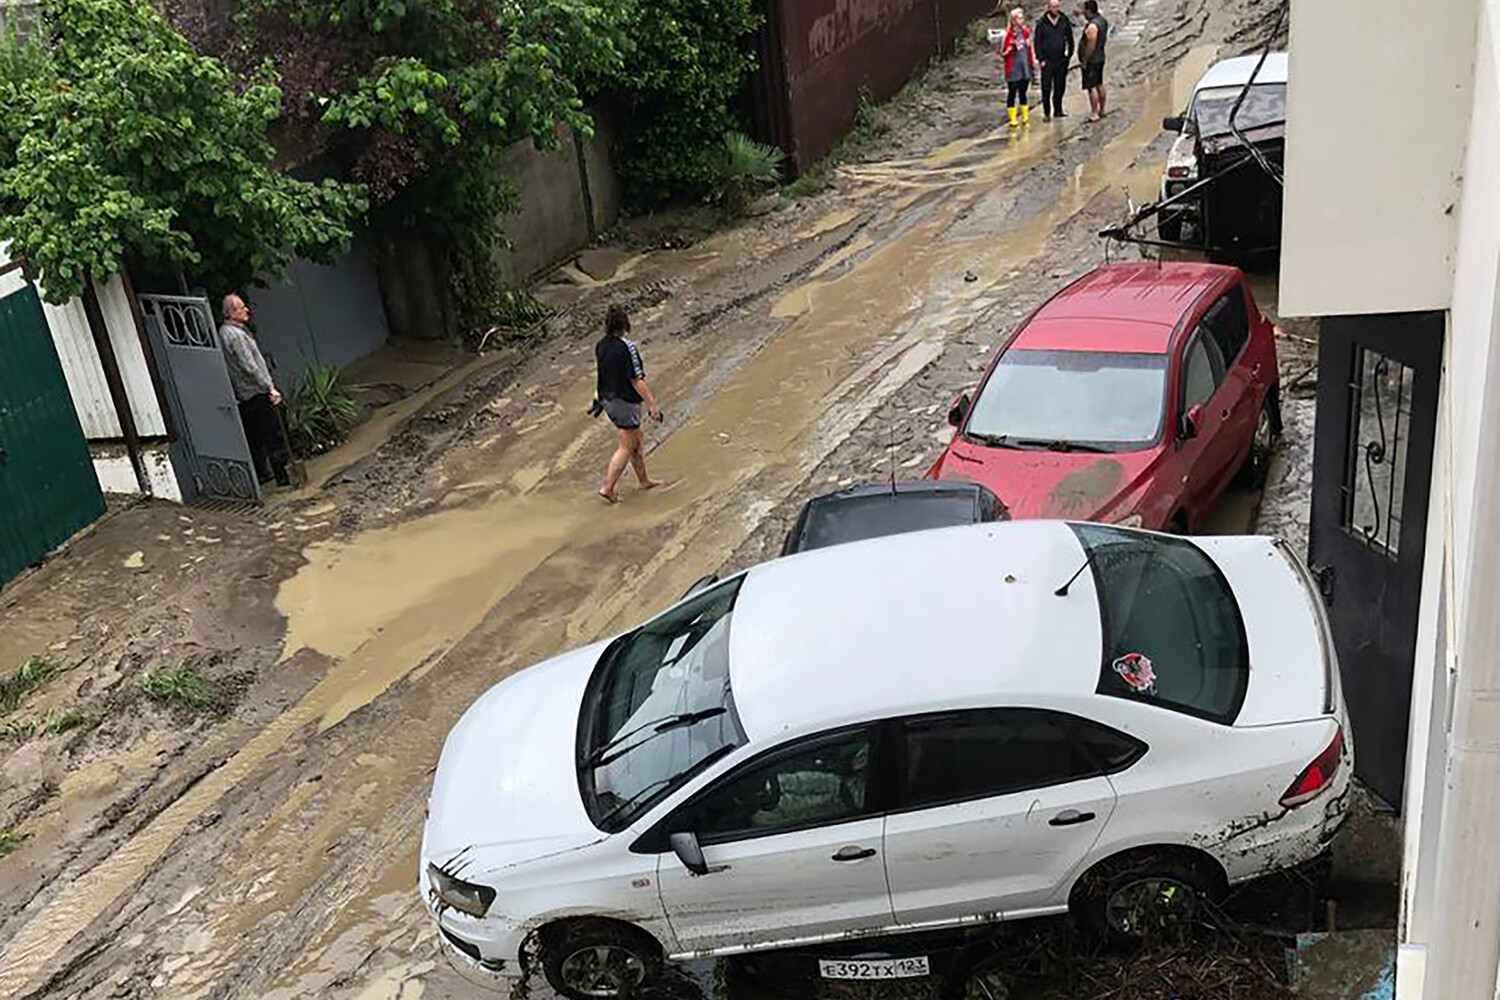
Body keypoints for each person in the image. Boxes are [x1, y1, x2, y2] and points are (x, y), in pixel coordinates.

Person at [219, 293, 291, 488]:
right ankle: (283, 476)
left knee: (256, 436)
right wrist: (269, 387)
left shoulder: (226, 333)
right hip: (255, 391)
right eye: (242, 308)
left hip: (244, 394)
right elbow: (249, 367)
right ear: (232, 312)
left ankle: (263, 474)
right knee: (273, 433)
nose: (247, 311)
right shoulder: (236, 336)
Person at [594, 304, 662, 504]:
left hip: (607, 398)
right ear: (625, 325)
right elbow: (636, 379)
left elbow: (604, 373)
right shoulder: (627, 347)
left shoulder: (601, 345)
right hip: (623, 400)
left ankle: (643, 480)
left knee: (635, 436)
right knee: (627, 443)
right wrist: (652, 404)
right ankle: (608, 487)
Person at [1034, 0, 1075, 120]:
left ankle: (1058, 109)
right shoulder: (1041, 23)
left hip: (1061, 60)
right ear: (1048, 7)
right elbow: (1037, 42)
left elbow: (1069, 38)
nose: (1055, 9)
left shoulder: (1064, 20)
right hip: (1047, 60)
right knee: (1046, 87)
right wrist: (1040, 58)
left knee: (1060, 86)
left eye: (1057, 7)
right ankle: (1047, 112)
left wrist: (1069, 55)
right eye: (1053, 7)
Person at [1001, 7, 1038, 129]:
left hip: (1024, 67)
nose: (1022, 20)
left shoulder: (1025, 32)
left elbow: (1029, 48)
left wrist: (1031, 63)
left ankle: (1025, 116)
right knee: (1012, 93)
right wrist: (1010, 48)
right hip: (1013, 69)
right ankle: (1012, 119)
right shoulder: (1008, 35)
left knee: (1023, 92)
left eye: (1022, 18)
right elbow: (1004, 53)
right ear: (1013, 20)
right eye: (1019, 18)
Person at [1080, 0, 1109, 121]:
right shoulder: (1103, 21)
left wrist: (1085, 59)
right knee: (1099, 84)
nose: (1083, 13)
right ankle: (1102, 110)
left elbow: (1091, 43)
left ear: (1088, 11)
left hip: (1093, 60)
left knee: (1092, 87)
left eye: (1084, 10)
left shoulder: (1092, 26)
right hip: (1101, 57)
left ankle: (1094, 112)